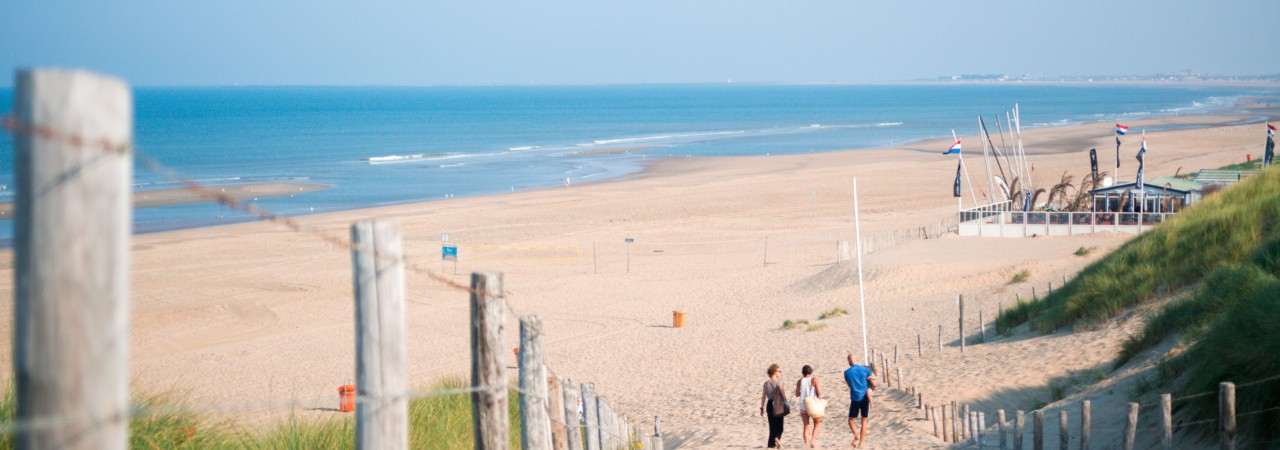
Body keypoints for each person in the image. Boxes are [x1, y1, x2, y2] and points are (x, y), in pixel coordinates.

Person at [843, 354, 876, 448]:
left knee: (851, 420)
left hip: (855, 398)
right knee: (864, 420)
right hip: (865, 397)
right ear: (856, 359)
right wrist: (871, 390)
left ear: (849, 361)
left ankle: (856, 435)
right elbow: (873, 383)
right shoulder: (865, 370)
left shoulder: (847, 372)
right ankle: (861, 443)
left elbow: (849, 385)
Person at [759, 363, 788, 448]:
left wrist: (761, 408)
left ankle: (771, 445)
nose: (780, 372)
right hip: (778, 404)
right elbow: (783, 395)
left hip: (769, 404)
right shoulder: (779, 383)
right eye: (779, 371)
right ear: (775, 372)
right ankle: (777, 439)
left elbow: (763, 396)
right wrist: (786, 404)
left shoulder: (765, 383)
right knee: (780, 426)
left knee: (772, 426)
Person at [795, 365, 823, 448]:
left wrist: (803, 391)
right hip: (812, 404)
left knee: (806, 426)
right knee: (817, 423)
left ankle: (807, 444)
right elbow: (819, 392)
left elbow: (797, 394)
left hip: (803, 405)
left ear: (803, 372)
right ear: (810, 372)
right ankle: (813, 441)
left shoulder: (800, 381)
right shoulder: (814, 380)